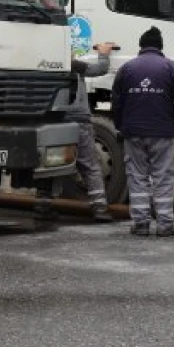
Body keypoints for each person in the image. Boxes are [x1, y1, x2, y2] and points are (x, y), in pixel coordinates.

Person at [111, 26, 174, 237]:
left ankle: (140, 224)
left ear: (141, 45)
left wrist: (120, 127)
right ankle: (165, 225)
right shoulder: (173, 68)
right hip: (162, 132)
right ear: (161, 47)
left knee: (137, 176)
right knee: (163, 177)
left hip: (133, 132)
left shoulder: (126, 69)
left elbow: (116, 103)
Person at [33, 41, 118, 224]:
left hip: (54, 122)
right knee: (89, 164)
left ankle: (42, 206)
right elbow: (99, 69)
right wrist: (104, 53)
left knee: (51, 164)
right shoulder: (73, 65)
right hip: (79, 121)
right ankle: (99, 208)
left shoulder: (42, 68)